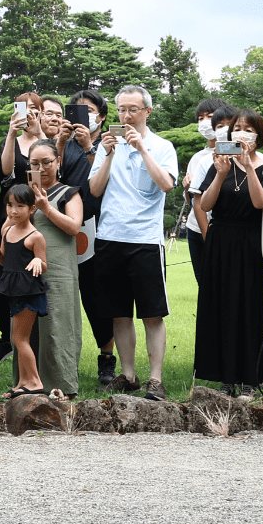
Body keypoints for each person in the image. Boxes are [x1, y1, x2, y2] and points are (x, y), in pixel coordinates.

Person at [88, 84, 179, 401]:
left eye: (132, 109)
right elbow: (96, 189)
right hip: (110, 236)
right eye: (121, 109)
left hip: (145, 240)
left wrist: (141, 149)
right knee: (118, 312)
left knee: (153, 314)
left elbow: (167, 185)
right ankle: (127, 374)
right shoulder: (105, 145)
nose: (125, 115)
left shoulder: (162, 146)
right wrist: (110, 153)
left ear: (147, 112)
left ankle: (156, 379)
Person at [193, 109, 263, 398]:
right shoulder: (217, 164)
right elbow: (204, 206)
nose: (242, 133)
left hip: (250, 243)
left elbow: (259, 202)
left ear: (259, 135)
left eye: (248, 129)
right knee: (219, 306)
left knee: (248, 308)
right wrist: (221, 174)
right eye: (238, 128)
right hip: (219, 241)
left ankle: (250, 379)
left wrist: (249, 167)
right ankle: (224, 376)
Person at [57, 89, 116, 385]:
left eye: (90, 109)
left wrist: (89, 146)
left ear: (102, 116)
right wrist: (62, 141)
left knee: (98, 296)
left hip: (99, 225)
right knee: (63, 295)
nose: (83, 115)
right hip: (65, 225)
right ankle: (62, 358)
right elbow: (49, 175)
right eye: (77, 110)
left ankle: (107, 359)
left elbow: (105, 184)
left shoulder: (108, 144)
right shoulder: (63, 144)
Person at [0, 90, 44, 361]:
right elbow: (4, 172)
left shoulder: (46, 141)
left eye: (35, 108)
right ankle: (6, 337)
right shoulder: (9, 141)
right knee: (5, 274)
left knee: (35, 273)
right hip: (10, 214)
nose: (29, 112)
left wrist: (40, 132)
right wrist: (12, 134)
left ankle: (31, 335)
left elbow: (56, 166)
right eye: (24, 107)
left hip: (39, 214)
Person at [26, 138, 85, 396]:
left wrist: (46, 208)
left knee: (58, 326)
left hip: (59, 270)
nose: (42, 168)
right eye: (34, 164)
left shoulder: (69, 192)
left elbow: (74, 227)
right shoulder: (24, 194)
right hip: (27, 269)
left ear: (58, 161)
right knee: (27, 326)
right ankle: (29, 382)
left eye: (47, 162)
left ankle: (63, 385)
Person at [0, 184, 49, 398]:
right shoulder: (7, 231)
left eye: (20, 206)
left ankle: (34, 381)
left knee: (20, 339)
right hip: (13, 290)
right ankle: (23, 381)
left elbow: (44, 262)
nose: (13, 211)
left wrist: (38, 261)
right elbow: (4, 261)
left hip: (29, 292)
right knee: (17, 338)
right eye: (10, 205)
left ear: (32, 209)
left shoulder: (35, 237)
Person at [182, 99, 234, 285]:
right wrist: (189, 188)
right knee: (207, 285)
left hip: (233, 231)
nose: (204, 122)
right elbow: (195, 202)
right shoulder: (199, 158)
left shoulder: (250, 156)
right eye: (200, 118)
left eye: (210, 117)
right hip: (198, 229)